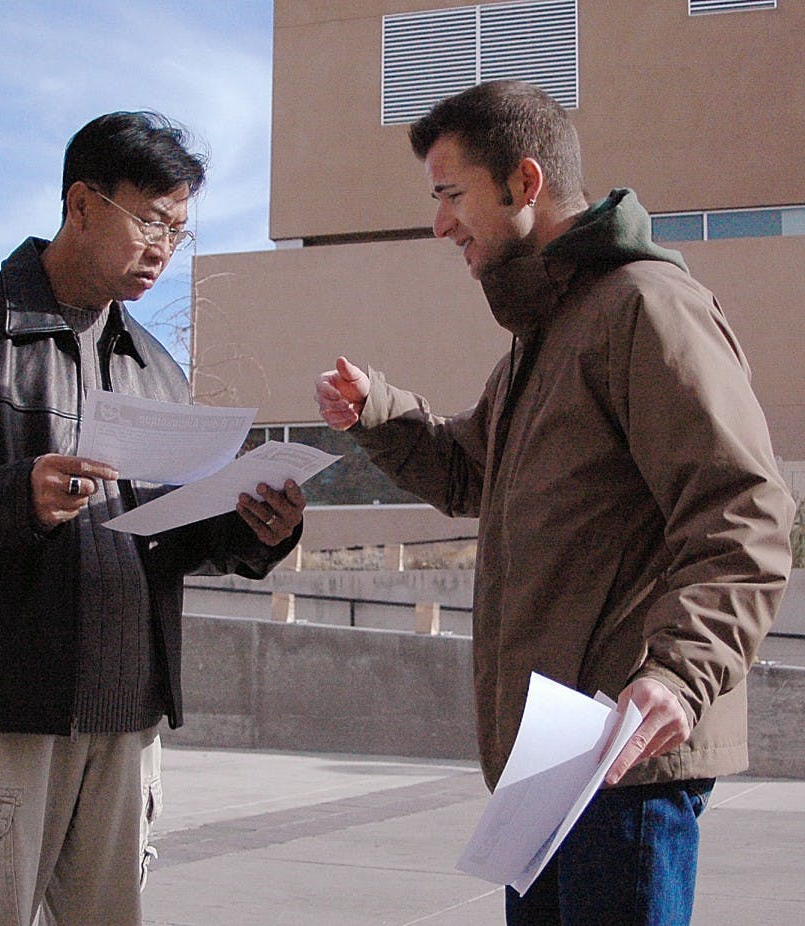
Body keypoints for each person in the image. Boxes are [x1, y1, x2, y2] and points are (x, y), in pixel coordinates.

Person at [315, 80, 794, 925]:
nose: (440, 224)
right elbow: (471, 472)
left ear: (524, 184)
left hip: (622, 757)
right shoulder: (546, 335)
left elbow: (743, 512)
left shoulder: (646, 308)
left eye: (451, 195)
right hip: (552, 763)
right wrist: (379, 412)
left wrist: (680, 675)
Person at [0, 110, 304, 926]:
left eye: (180, 230)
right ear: (82, 203)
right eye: (150, 221)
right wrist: (15, 494)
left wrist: (252, 528)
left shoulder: (157, 368)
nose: (164, 247)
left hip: (128, 718)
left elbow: (171, 529)